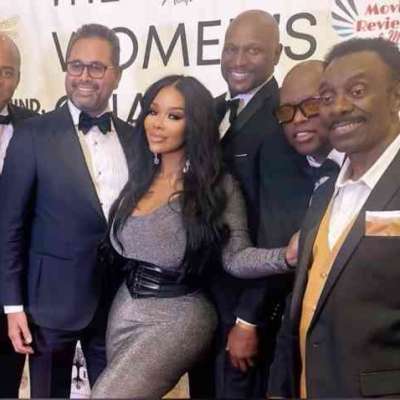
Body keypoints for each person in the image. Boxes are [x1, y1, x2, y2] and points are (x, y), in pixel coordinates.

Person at [90, 74, 296, 399]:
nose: (157, 124)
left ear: (195, 126)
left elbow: (235, 257)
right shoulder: (141, 177)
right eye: (153, 112)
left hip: (179, 316)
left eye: (174, 116)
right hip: (126, 307)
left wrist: (286, 256)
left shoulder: (216, 186)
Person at [0, 24, 135, 398]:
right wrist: (13, 306)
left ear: (116, 74)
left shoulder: (135, 137)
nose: (84, 76)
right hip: (48, 305)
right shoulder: (32, 135)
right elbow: (10, 227)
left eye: (96, 67)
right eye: (76, 65)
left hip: (117, 304)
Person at [268, 37, 400, 398]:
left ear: (395, 97)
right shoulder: (326, 192)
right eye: (326, 98)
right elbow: (303, 302)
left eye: (357, 91)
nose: (338, 107)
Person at [204, 10, 303, 398]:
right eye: (231, 49)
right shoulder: (211, 111)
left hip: (245, 306)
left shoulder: (283, 119)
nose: (238, 61)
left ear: (277, 54)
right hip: (206, 300)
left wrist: (249, 319)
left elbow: (280, 232)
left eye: (253, 50)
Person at [0, 33, 37, 399]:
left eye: (6, 71)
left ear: (19, 78)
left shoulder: (35, 127)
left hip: (16, 288)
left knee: (6, 384)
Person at [276, 60, 344, 191]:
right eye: (286, 111)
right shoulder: (278, 173)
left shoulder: (372, 161)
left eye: (311, 105)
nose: (297, 119)